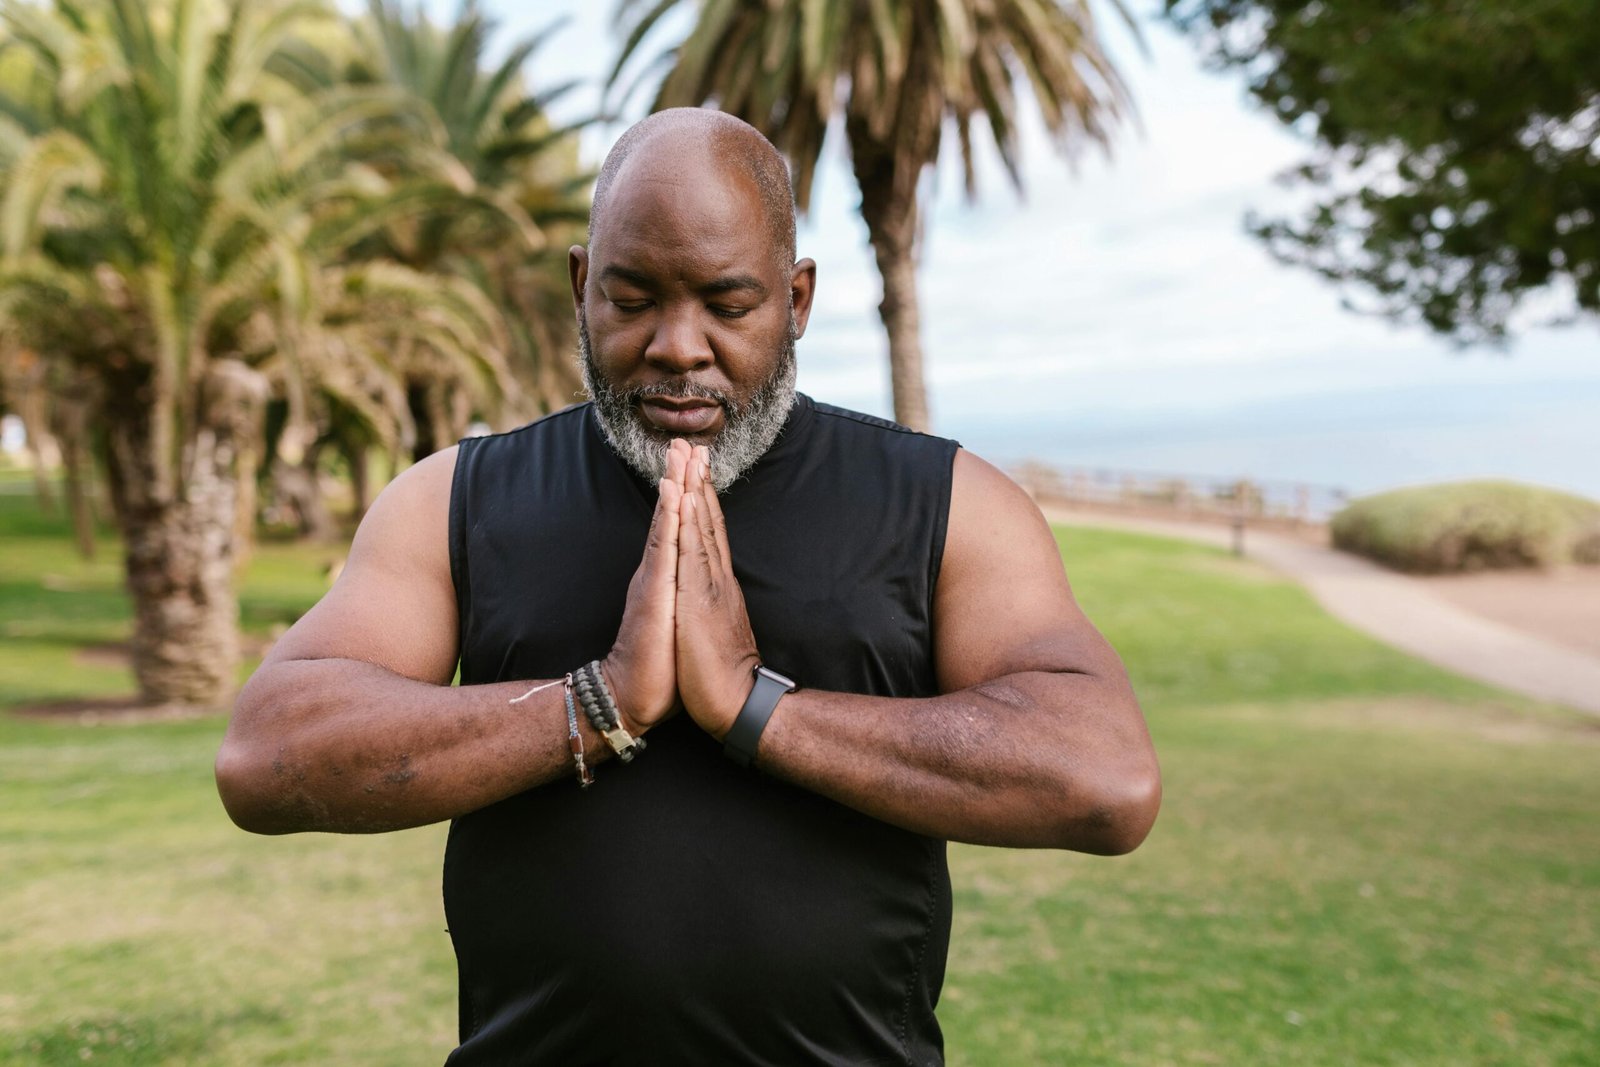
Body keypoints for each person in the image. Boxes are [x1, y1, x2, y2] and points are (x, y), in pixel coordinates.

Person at [216, 107, 1160, 1066]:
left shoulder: (948, 504)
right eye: (632, 299)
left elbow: (1104, 779)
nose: (678, 344)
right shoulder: (455, 500)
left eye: (727, 302)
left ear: (795, 300)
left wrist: (755, 710)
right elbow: (267, 754)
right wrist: (600, 702)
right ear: (582, 285)